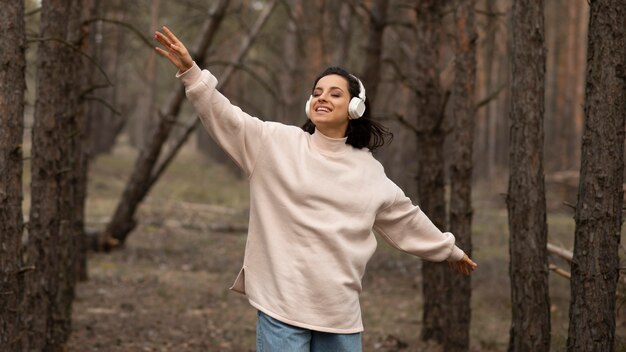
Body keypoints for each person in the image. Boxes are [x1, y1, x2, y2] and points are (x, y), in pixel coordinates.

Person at [154, 26, 477, 352]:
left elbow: (406, 219)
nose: (323, 97)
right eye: (318, 91)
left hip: (340, 315)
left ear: (356, 108)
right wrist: (191, 72)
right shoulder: (275, 144)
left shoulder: (370, 173)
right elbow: (226, 117)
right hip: (281, 305)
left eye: (335, 93)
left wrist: (449, 249)